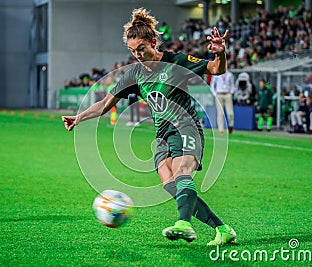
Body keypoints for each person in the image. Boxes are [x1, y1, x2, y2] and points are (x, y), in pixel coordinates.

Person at [61, 8, 236, 246]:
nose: (137, 55)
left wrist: (221, 54)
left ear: (153, 42)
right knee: (170, 184)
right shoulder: (134, 74)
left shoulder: (176, 62)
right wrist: (79, 118)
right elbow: (104, 105)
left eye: (141, 49)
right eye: (133, 51)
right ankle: (222, 229)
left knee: (183, 173)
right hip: (163, 134)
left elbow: (217, 69)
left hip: (187, 127)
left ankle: (184, 223)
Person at [210, 69, 236, 134]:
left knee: (230, 113)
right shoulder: (216, 74)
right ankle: (221, 129)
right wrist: (214, 93)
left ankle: (231, 126)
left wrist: (231, 92)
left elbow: (232, 84)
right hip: (219, 94)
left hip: (227, 94)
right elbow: (212, 84)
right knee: (220, 113)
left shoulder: (230, 75)